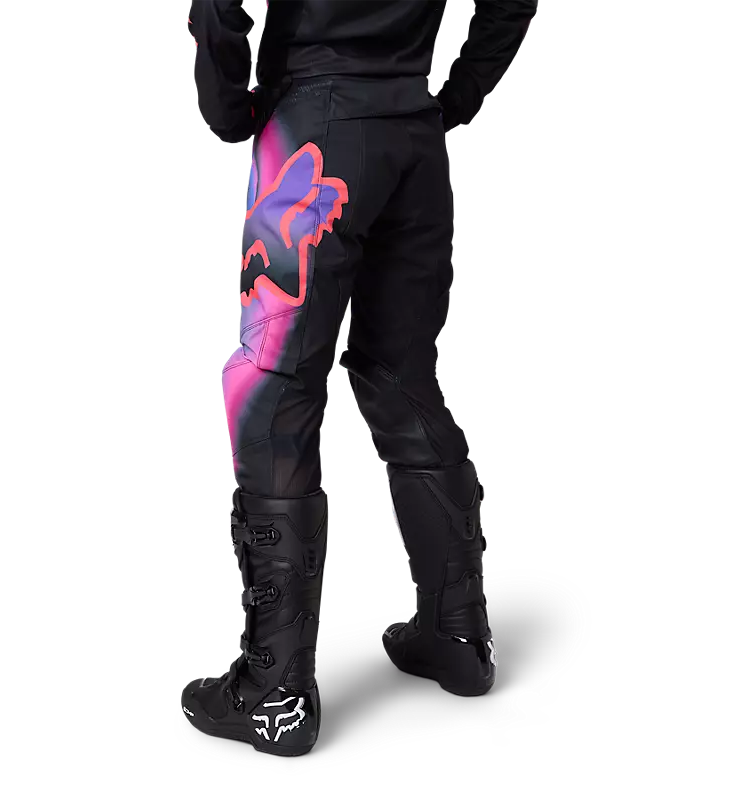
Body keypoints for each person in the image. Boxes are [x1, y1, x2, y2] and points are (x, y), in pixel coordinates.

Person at [181, 0, 539, 756]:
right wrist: (456, 97)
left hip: (312, 137)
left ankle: (275, 691)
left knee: (272, 391)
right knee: (400, 376)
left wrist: (227, 106)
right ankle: (458, 636)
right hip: (413, 140)